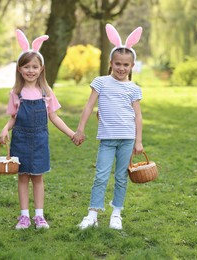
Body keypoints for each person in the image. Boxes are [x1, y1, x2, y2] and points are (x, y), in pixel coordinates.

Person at [0, 29, 75, 230]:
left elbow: (54, 117)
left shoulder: (45, 93)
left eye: (35, 67)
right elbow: (13, 118)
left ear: (41, 69)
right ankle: (24, 216)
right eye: (26, 67)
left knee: (38, 178)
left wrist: (71, 134)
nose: (30, 70)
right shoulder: (17, 93)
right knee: (23, 177)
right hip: (20, 140)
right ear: (19, 69)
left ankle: (39, 216)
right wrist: (5, 129)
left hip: (40, 140)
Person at [72, 24, 144, 230]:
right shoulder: (101, 82)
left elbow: (138, 115)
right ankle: (92, 214)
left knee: (121, 177)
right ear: (111, 63)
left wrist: (138, 141)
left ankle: (116, 214)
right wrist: (80, 129)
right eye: (118, 63)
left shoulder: (133, 88)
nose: (122, 68)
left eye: (126, 65)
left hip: (127, 140)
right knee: (101, 176)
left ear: (132, 66)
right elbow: (88, 106)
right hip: (107, 139)